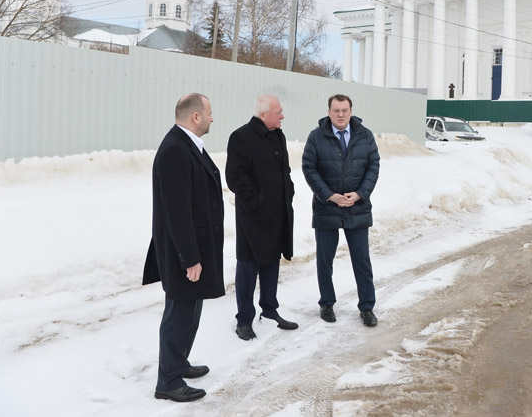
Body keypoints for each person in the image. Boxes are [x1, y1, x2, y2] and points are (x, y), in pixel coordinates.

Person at [142, 93, 225, 403]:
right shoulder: (176, 150)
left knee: (190, 311)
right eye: (210, 113)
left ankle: (179, 363)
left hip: (194, 249)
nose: (212, 119)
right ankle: (168, 382)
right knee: (179, 313)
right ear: (196, 117)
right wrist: (190, 258)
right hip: (184, 252)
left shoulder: (185, 145)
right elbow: (177, 212)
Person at [302, 94, 380, 327]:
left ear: (351, 110)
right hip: (327, 207)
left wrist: (360, 194)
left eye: (345, 110)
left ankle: (367, 307)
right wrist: (328, 195)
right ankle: (327, 304)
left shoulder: (365, 136)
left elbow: (373, 166)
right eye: (336, 110)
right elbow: (309, 168)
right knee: (325, 261)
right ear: (329, 112)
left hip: (357, 207)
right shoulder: (316, 137)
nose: (341, 114)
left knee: (362, 261)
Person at [226, 94, 298, 340]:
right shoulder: (241, 137)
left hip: (277, 214)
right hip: (253, 217)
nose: (282, 116)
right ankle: (244, 320)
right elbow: (235, 177)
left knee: (271, 263)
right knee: (248, 265)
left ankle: (270, 310)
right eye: (278, 112)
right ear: (263, 114)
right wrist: (256, 201)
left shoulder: (279, 135)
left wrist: (288, 191)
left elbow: (284, 170)